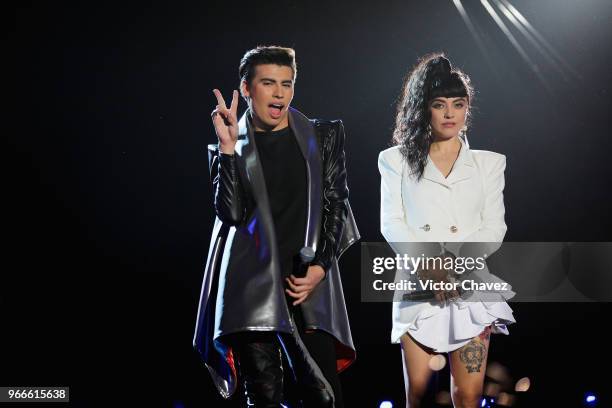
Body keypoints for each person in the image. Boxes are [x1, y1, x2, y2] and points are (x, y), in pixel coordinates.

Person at [193, 46, 359, 408]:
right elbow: (232, 215)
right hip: (252, 293)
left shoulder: (324, 136)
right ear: (248, 88)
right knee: (265, 399)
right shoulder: (227, 148)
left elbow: (336, 205)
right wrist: (227, 148)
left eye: (287, 83)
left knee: (325, 397)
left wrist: (320, 268)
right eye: (269, 83)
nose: (280, 92)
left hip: (305, 287)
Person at [378, 53, 516, 408]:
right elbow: (392, 222)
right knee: (418, 396)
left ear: (468, 108)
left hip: (469, 286)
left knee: (467, 397)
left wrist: (454, 268)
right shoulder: (394, 160)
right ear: (424, 109)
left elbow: (493, 225)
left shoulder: (489, 164)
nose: (450, 113)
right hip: (418, 287)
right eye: (440, 105)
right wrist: (431, 266)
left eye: (458, 104)